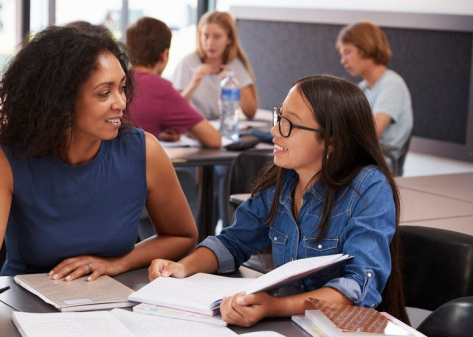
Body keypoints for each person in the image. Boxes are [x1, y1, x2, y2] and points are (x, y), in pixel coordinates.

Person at [0, 24, 198, 324]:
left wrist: (116, 263)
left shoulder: (144, 151)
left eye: (121, 87)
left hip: (118, 313)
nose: (121, 102)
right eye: (104, 93)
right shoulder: (6, 158)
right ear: (61, 101)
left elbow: (182, 235)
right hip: (26, 314)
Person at [149, 74, 408, 327]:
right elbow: (232, 242)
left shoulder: (368, 188)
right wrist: (181, 268)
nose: (274, 131)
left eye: (288, 124)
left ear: (331, 141)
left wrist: (274, 307)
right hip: (291, 325)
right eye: (279, 116)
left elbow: (357, 288)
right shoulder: (284, 180)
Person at [126, 17, 221, 148]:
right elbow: (214, 140)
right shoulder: (161, 89)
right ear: (164, 55)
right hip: (137, 167)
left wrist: (157, 133)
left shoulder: (119, 80)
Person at [336, 20, 413, 174]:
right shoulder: (363, 88)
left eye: (348, 52)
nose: (343, 61)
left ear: (365, 48)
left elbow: (370, 133)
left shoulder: (392, 84)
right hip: (362, 160)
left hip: (378, 165)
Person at [172, 10, 258, 120]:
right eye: (205, 36)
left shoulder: (234, 64)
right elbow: (173, 109)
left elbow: (251, 112)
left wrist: (236, 85)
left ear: (229, 39)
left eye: (217, 37)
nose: (210, 43)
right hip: (193, 128)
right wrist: (193, 85)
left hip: (221, 127)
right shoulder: (187, 63)